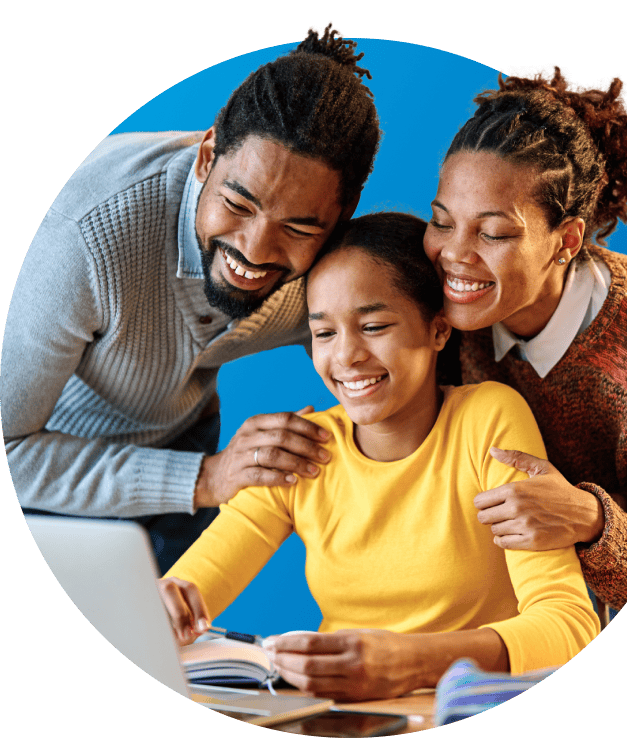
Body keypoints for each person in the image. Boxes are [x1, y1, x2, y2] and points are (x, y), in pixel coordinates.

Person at [158, 213, 599, 701]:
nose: (345, 356)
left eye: (372, 326)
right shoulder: (304, 449)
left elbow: (570, 625)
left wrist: (412, 664)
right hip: (341, 717)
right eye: (324, 333)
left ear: (437, 331)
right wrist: (163, 605)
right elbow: (188, 590)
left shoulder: (487, 421)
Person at [1, 22, 380, 573]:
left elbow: (406, 384)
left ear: (339, 219)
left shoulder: (337, 263)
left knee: (172, 650)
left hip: (186, 438)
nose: (255, 251)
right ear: (207, 157)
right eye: (239, 204)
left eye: (299, 228)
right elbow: (10, 450)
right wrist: (207, 478)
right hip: (49, 464)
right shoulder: (81, 238)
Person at [423, 66, 627, 612]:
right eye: (441, 221)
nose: (454, 254)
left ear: (567, 240)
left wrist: (588, 520)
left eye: (494, 233)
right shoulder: (437, 296)